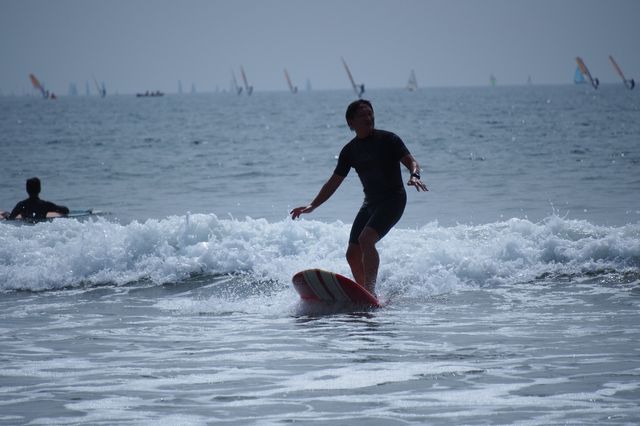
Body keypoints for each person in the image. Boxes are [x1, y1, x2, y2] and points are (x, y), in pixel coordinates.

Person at [290, 100, 428, 294]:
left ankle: (371, 292)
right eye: (362, 115)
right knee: (352, 254)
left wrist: (414, 176)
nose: (368, 118)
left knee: (366, 240)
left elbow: (412, 162)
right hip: (370, 203)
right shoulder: (349, 151)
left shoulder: (389, 140)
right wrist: (312, 206)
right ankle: (364, 295)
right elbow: (333, 183)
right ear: (351, 121)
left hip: (393, 200)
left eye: (370, 114)